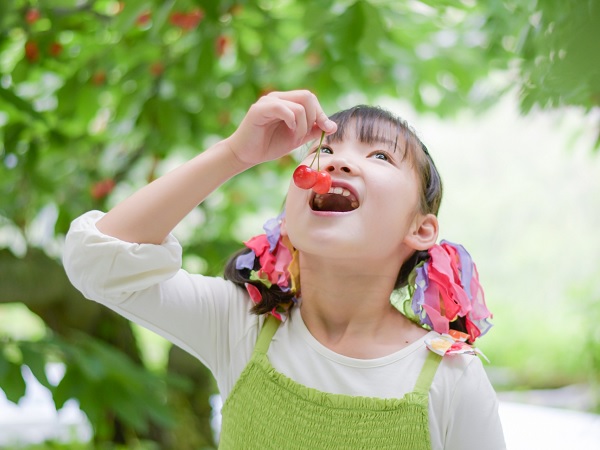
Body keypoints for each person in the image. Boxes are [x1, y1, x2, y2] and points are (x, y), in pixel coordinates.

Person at [63, 90, 505, 449]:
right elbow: (99, 260)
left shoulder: (452, 378)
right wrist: (235, 153)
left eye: (380, 157)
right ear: (286, 222)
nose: (334, 162)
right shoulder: (241, 325)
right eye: (326, 148)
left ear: (422, 229)